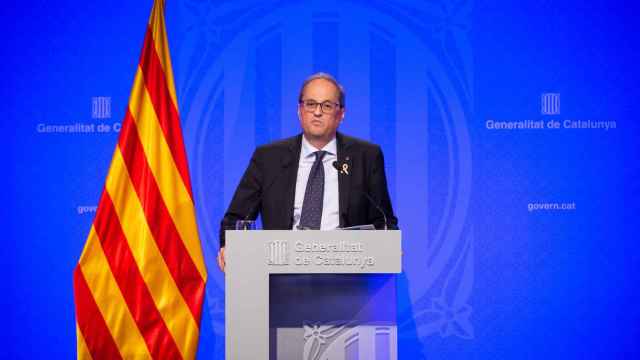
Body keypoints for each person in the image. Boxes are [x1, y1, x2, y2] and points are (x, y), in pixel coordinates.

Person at [217, 72, 398, 271]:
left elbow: (383, 220)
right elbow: (236, 219)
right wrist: (229, 245)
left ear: (341, 114)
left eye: (327, 105)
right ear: (299, 110)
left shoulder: (366, 156)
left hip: (347, 273)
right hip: (280, 271)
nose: (317, 112)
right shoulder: (269, 158)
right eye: (310, 104)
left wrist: (388, 246)